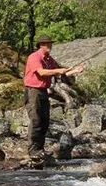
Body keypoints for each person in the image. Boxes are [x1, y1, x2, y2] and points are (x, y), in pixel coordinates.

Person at [22, 36, 83, 166]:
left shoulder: (49, 60)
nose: (50, 46)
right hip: (33, 91)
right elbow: (41, 72)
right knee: (36, 120)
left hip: (43, 92)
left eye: (50, 44)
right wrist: (57, 70)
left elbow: (62, 74)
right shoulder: (34, 57)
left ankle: (40, 149)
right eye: (47, 44)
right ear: (41, 45)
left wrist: (75, 71)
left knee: (44, 121)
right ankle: (33, 151)